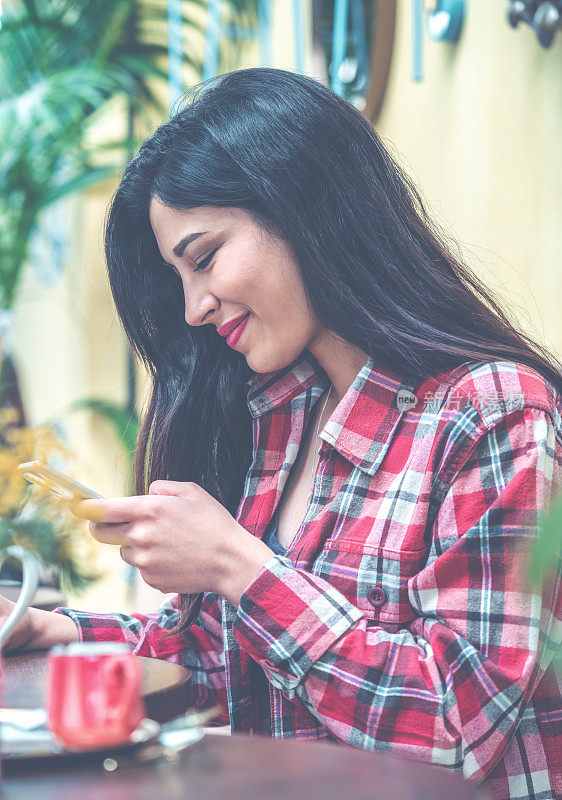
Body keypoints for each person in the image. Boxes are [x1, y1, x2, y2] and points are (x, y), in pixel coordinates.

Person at [2, 68, 560, 800]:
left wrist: (239, 565)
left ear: (305, 211)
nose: (194, 306)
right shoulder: (283, 418)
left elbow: (456, 731)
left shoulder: (494, 413)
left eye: (204, 258)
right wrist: (62, 634)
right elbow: (229, 661)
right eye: (177, 279)